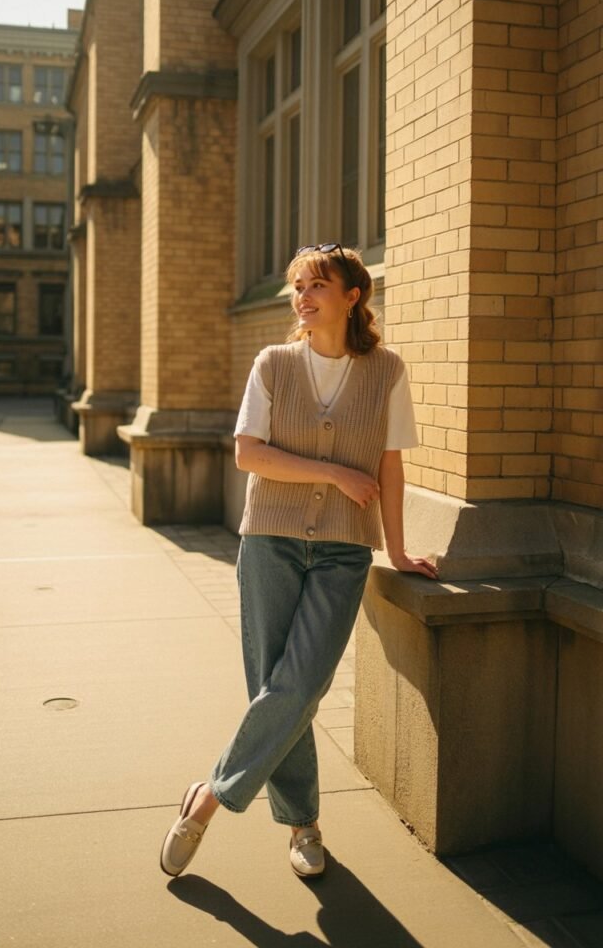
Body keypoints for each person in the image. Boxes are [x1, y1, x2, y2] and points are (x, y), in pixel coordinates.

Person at [160, 242, 438, 881]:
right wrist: (334, 473)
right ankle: (303, 825)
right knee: (275, 690)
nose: (303, 297)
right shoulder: (273, 363)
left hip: (344, 550)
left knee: (302, 684)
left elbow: (391, 467)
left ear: (352, 296)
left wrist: (394, 549)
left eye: (318, 286)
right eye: (297, 286)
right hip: (270, 543)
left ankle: (207, 799)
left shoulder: (388, 371)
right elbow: (248, 454)